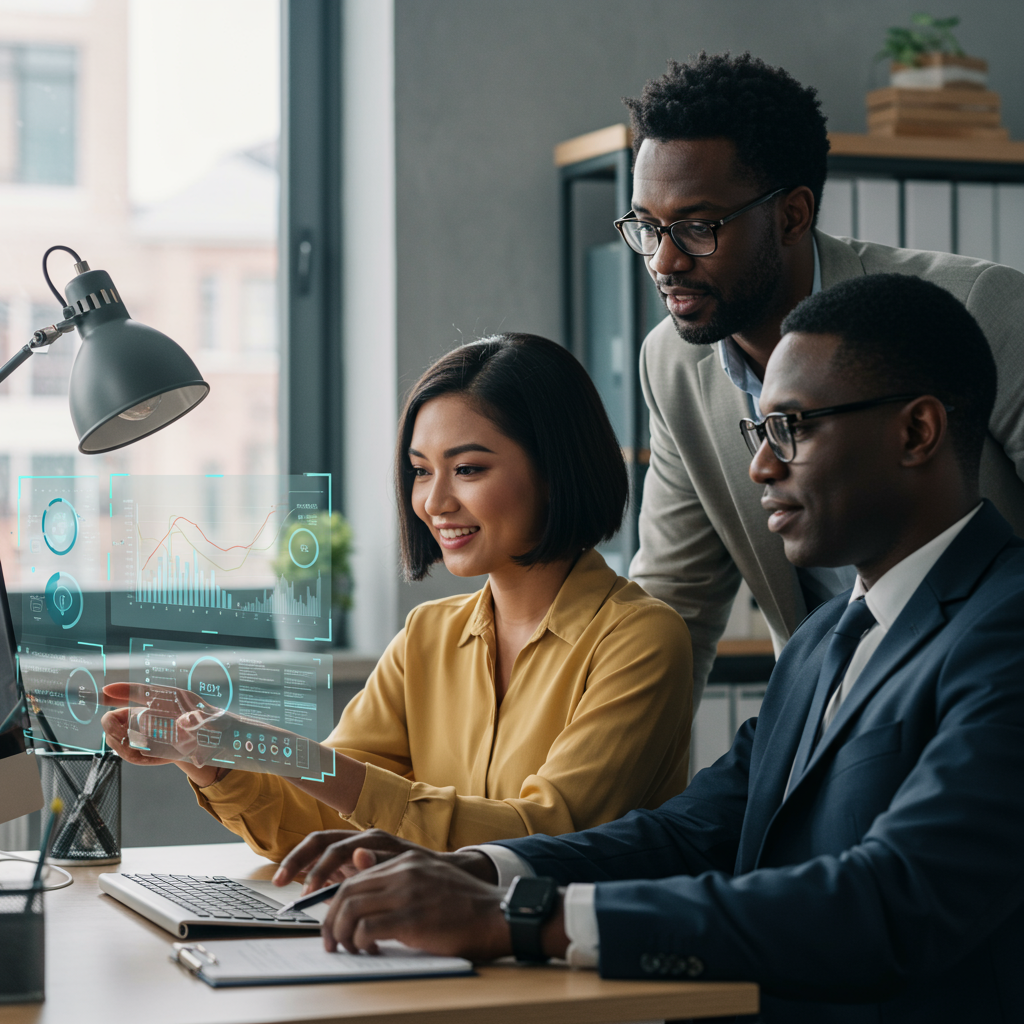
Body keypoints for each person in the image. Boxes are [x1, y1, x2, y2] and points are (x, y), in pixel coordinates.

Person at [284, 276, 1024, 1024]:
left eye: (792, 428)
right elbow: (691, 831)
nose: (761, 467)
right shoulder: (822, 641)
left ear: (917, 432)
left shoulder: (1006, 627)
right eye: (757, 432)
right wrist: (473, 868)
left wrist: (528, 919)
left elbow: (891, 898)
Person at [102, 334, 692, 859]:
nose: (433, 502)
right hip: (435, 951)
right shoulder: (427, 637)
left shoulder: (640, 638)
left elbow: (544, 836)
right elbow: (319, 832)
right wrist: (212, 763)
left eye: (467, 469)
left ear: (555, 470)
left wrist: (281, 750)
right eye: (420, 471)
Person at [618, 52, 1024, 703]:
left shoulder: (975, 306)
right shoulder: (671, 362)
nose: (663, 260)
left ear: (792, 215)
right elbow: (675, 610)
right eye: (647, 226)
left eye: (696, 227)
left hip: (990, 698)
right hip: (828, 719)